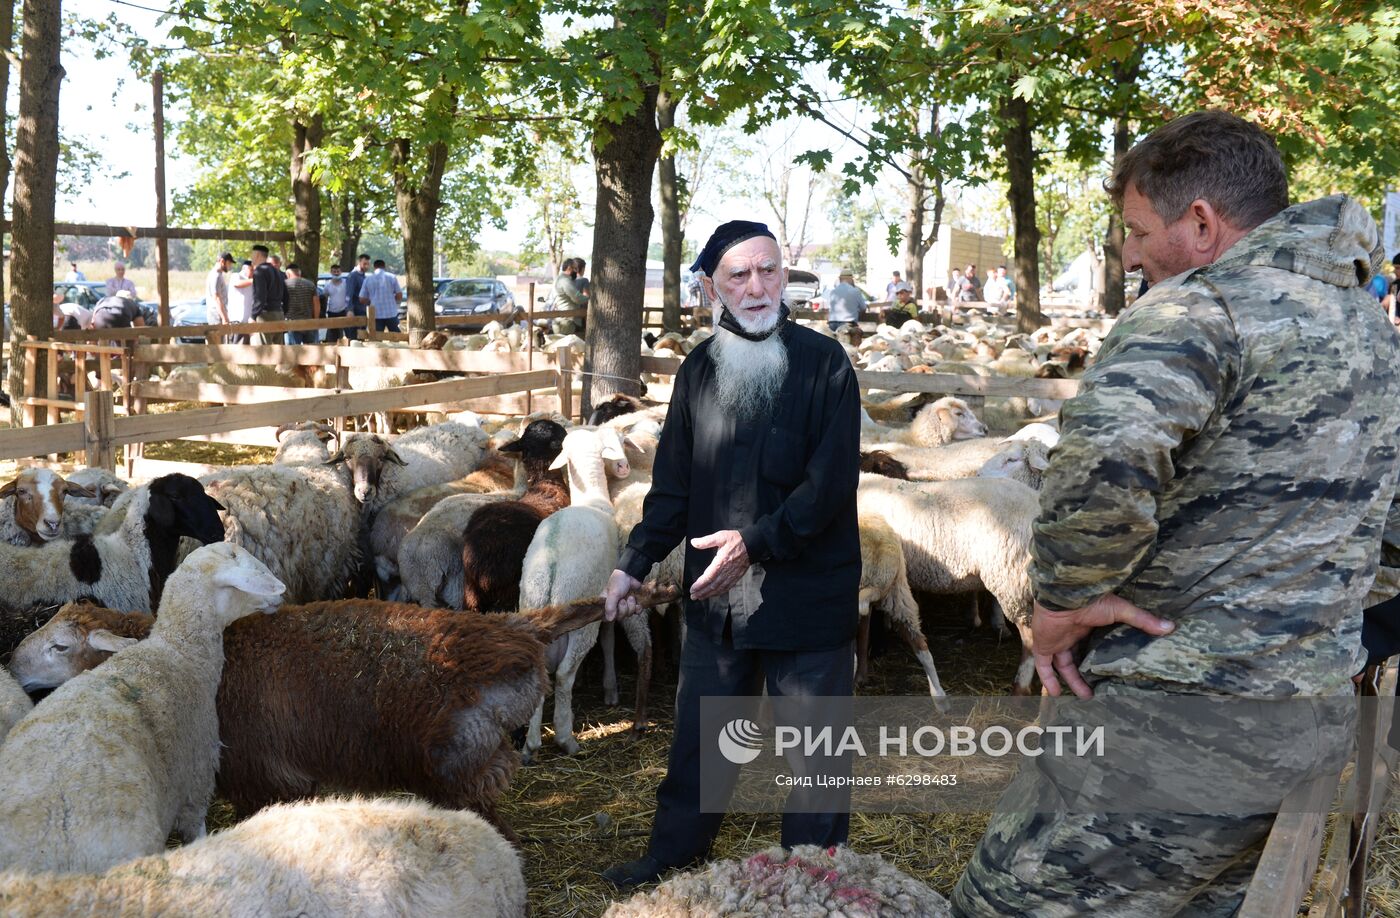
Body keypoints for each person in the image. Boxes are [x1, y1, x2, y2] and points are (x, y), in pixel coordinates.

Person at [952, 110, 1400, 916]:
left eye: (1135, 228)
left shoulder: (1198, 311)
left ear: (1199, 222)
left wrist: (1060, 603)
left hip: (1170, 728)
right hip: (1303, 718)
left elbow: (1100, 467)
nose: (1127, 252)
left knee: (1003, 904)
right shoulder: (1371, 330)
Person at [600, 220, 861, 890]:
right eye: (739, 275)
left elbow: (828, 487)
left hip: (805, 594)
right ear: (711, 286)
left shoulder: (825, 366)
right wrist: (634, 561)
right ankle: (674, 856)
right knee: (702, 740)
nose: (756, 286)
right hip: (719, 600)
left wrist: (757, 542)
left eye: (768, 270)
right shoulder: (699, 369)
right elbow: (674, 485)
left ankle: (812, 878)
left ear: (784, 278)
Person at [250, 245, 287, 345]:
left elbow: (260, 297)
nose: (251, 258)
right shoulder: (278, 272)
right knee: (279, 352)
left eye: (252, 254)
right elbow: (286, 295)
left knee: (264, 353)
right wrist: (284, 313)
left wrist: (253, 316)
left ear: (257, 255)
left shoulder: (259, 271)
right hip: (279, 313)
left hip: (266, 315)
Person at [358, 258, 403, 333]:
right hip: (391, 312)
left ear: (374, 267)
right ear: (384, 266)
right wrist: (392, 299)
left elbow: (361, 299)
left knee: (376, 340)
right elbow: (399, 295)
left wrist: (371, 300)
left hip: (375, 314)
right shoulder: (392, 277)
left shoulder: (368, 279)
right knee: (396, 337)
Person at [283, 263, 320, 344]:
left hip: (291, 323)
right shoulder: (310, 284)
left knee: (293, 352)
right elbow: (316, 304)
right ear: (299, 273)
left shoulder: (284, 285)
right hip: (309, 322)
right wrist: (316, 320)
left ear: (288, 274)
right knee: (312, 350)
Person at [343, 253, 372, 341]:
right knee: (354, 338)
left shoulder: (363, 276)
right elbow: (349, 294)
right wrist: (349, 310)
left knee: (361, 337)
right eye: (364, 264)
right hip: (355, 311)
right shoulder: (353, 276)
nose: (366, 266)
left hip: (363, 310)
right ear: (359, 262)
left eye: (368, 264)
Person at [322, 263, 350, 343]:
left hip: (344, 310)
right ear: (331, 272)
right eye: (334, 271)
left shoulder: (345, 283)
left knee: (348, 332)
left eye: (338, 271)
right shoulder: (327, 284)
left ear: (341, 272)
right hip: (332, 311)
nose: (336, 273)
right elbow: (325, 297)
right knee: (333, 334)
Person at [228, 260, 254, 344]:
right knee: (236, 346)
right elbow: (237, 283)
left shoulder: (251, 280)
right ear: (244, 268)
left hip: (248, 321)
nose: (253, 272)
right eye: (251, 270)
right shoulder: (236, 275)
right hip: (237, 320)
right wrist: (254, 280)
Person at [205, 252, 232, 326]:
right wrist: (224, 317)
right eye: (229, 263)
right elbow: (216, 297)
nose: (230, 266)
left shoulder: (218, 275)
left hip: (217, 314)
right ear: (222, 261)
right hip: (216, 315)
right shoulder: (216, 276)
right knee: (216, 337)